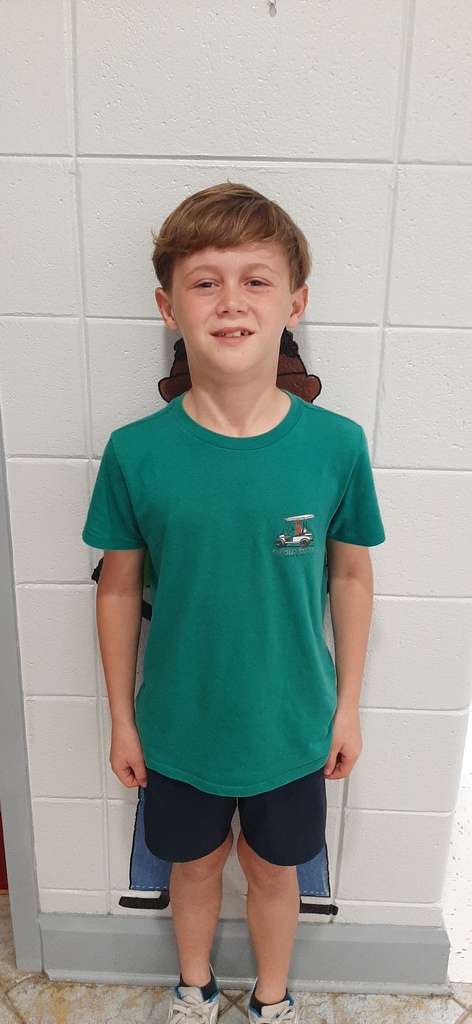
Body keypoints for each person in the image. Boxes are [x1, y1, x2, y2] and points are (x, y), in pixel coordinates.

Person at [82, 183, 385, 1024]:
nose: (230, 301)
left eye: (256, 280)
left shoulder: (336, 446)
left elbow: (351, 577)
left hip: (293, 727)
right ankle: (195, 989)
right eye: (205, 282)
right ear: (168, 307)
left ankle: (273, 999)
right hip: (180, 729)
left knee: (275, 871)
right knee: (193, 867)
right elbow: (117, 589)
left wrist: (347, 706)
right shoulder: (136, 453)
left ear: (295, 304)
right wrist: (122, 719)